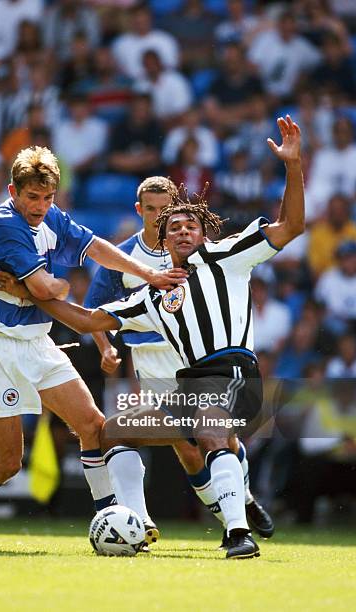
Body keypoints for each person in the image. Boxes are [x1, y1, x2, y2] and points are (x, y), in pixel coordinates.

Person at [0, 116, 305, 558]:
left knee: (211, 428)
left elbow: (291, 226)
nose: (180, 230)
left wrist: (294, 167)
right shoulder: (154, 294)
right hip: (185, 387)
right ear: (160, 234)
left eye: (188, 225)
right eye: (172, 226)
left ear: (203, 231)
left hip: (234, 375)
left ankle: (239, 533)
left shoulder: (229, 256)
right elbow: (85, 321)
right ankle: (137, 526)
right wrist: (28, 289)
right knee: (115, 430)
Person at [0, 145, 186, 550]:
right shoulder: (3, 224)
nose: (40, 205)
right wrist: (56, 286)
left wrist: (149, 274)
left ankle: (110, 521)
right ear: (14, 191)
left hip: (37, 340)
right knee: (7, 463)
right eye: (32, 197)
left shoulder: (51, 217)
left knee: (93, 425)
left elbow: (97, 248)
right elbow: (47, 289)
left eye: (47, 197)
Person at [85, 175, 274, 548]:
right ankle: (146, 521)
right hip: (150, 361)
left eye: (164, 208)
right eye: (151, 210)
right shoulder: (122, 256)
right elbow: (96, 310)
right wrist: (105, 346)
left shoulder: (194, 249)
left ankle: (238, 510)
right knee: (186, 449)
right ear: (139, 211)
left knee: (213, 439)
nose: (159, 217)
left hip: (190, 356)